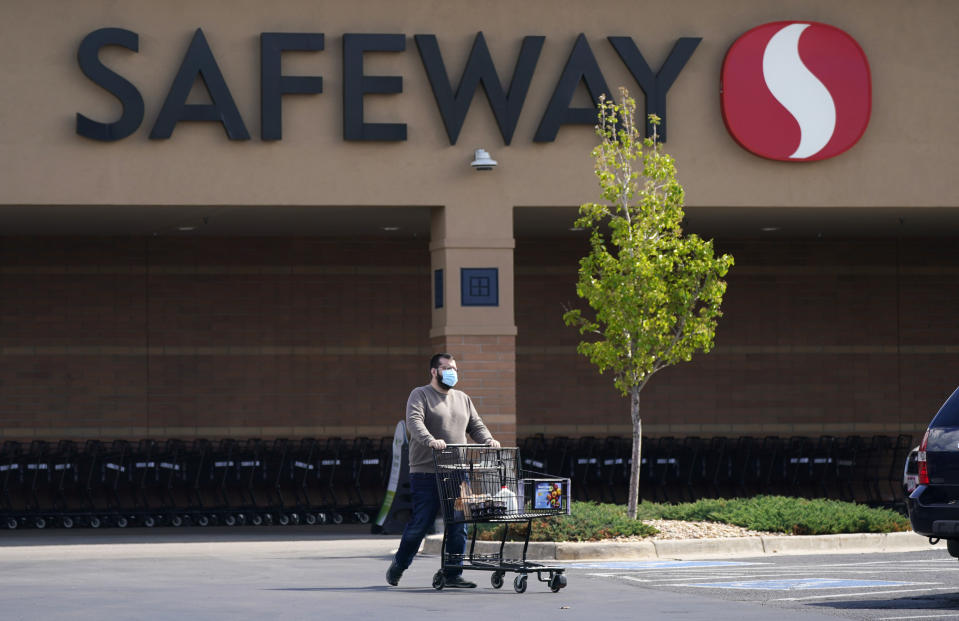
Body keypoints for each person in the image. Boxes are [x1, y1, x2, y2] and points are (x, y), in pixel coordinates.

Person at [386, 353, 500, 588]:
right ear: (434, 371)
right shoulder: (420, 395)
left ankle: (452, 574)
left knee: (459, 524)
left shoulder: (463, 398)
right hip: (426, 471)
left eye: (455, 368)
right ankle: (399, 564)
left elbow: (475, 425)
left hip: (457, 471)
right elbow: (414, 422)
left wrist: (488, 440)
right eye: (447, 368)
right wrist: (430, 440)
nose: (452, 372)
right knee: (420, 523)